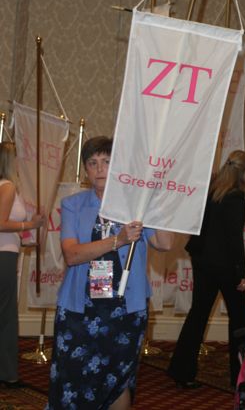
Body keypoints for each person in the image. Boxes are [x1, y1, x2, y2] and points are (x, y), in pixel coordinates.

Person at [46, 136, 173, 410]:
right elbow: (72, 254)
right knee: (72, 376)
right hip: (79, 310)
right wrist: (119, 240)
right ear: (85, 170)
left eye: (106, 161)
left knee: (118, 379)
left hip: (125, 310)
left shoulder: (136, 204)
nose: (100, 168)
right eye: (93, 163)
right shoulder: (74, 204)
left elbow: (165, 244)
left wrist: (156, 200)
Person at [167, 150, 245, 389]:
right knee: (239, 321)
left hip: (202, 260)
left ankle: (181, 370)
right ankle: (240, 378)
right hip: (226, 265)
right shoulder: (235, 197)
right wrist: (242, 274)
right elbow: (234, 240)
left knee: (198, 314)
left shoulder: (210, 190)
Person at [0, 141, 45, 387]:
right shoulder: (7, 187)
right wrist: (31, 225)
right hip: (3, 255)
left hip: (7, 252)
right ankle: (7, 373)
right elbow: (1, 223)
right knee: (5, 314)